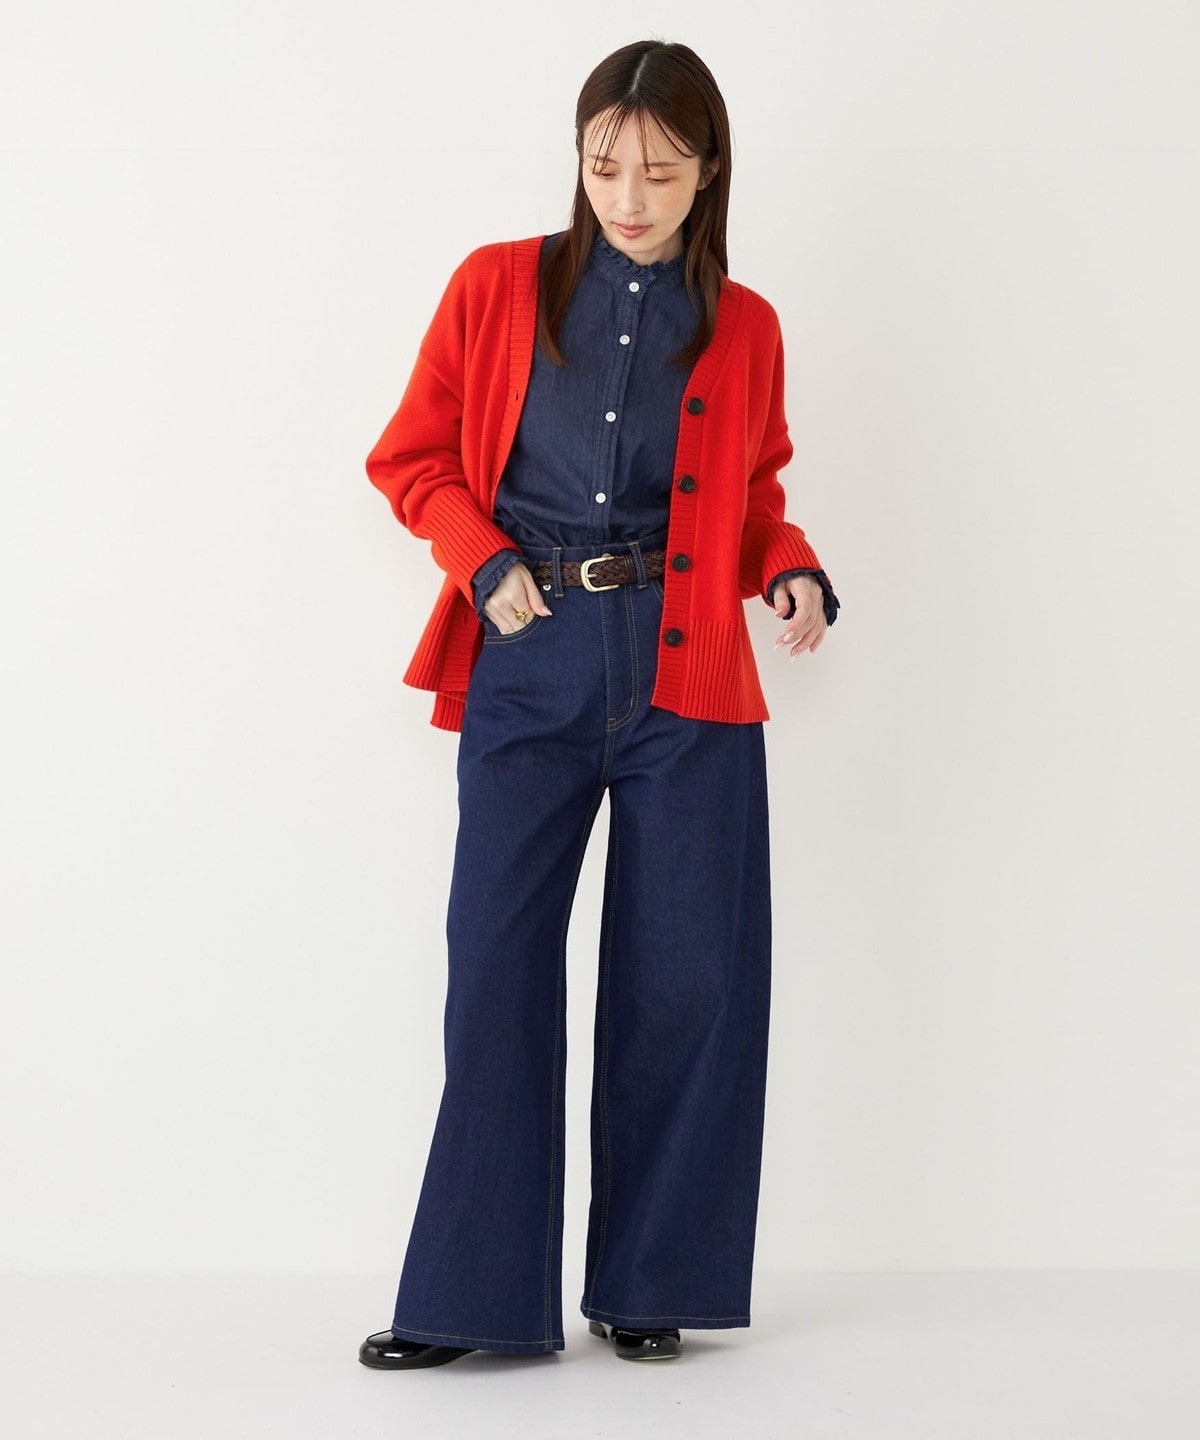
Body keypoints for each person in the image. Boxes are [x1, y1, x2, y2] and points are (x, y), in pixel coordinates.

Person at [358, 38, 840, 1370]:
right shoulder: (497, 287)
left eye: (661, 172)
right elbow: (411, 459)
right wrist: (483, 557)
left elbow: (751, 495)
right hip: (534, 653)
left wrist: (791, 566)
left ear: (710, 172)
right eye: (604, 164)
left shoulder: (746, 325)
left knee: (690, 979)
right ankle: (471, 1299)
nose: (628, 196)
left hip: (691, 675)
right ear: (578, 158)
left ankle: (649, 1283)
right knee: (497, 970)